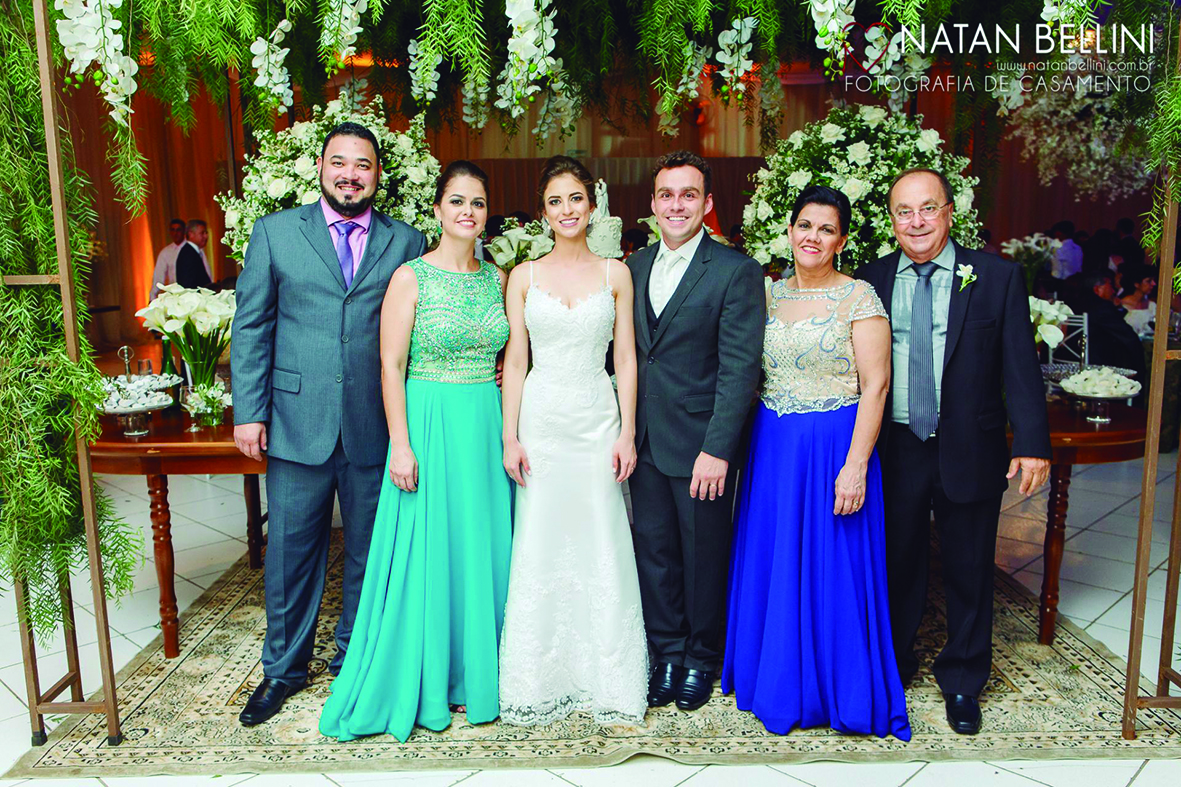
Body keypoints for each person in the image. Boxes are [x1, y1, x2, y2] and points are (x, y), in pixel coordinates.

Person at [231, 121, 427, 727]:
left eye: (362, 164)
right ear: (320, 168)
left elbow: (421, 330)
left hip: (375, 423)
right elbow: (252, 326)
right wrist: (249, 412)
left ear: (378, 174)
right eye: (339, 162)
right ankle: (283, 671)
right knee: (290, 555)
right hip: (296, 422)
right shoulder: (275, 233)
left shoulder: (407, 241)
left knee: (371, 554)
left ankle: (355, 659)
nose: (350, 175)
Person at [320, 161, 513, 741]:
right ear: (437, 209)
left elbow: (509, 355)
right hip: (428, 422)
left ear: (486, 214)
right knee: (428, 552)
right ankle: (427, 675)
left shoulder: (498, 278)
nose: (467, 212)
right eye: (457, 201)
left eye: (477, 203)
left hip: (483, 424)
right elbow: (390, 365)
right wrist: (400, 445)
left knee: (479, 546)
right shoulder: (411, 277)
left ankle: (478, 672)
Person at [855, 168, 1051, 736]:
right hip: (894, 445)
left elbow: (1020, 364)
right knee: (896, 561)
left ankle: (963, 679)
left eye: (927, 208)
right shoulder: (869, 280)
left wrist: (1032, 442)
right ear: (891, 219)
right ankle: (894, 663)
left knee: (969, 567)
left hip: (969, 443)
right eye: (904, 211)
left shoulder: (995, 277)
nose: (916, 221)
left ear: (948, 212)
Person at [723, 186, 909, 739]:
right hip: (773, 449)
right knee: (775, 557)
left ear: (841, 241)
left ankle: (836, 689)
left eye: (826, 229)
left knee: (834, 566)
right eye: (805, 225)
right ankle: (775, 679)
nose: (813, 237)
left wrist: (856, 465)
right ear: (789, 231)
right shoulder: (767, 294)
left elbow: (876, 387)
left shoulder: (860, 298)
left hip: (834, 448)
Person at [498, 156, 648, 726]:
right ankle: (538, 676)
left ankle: (606, 675)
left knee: (601, 536)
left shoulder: (616, 274)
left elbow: (626, 359)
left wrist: (627, 430)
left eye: (575, 198)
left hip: (596, 419)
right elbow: (516, 361)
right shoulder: (523, 276)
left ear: (592, 204)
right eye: (555, 201)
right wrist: (510, 435)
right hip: (541, 422)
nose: (567, 210)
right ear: (543, 212)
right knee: (540, 539)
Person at [627, 151, 765, 712]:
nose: (676, 205)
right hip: (643, 439)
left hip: (701, 444)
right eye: (667, 195)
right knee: (654, 552)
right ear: (653, 203)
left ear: (707, 204)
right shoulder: (633, 266)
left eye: (689, 195)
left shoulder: (735, 270)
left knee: (703, 556)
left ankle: (702, 658)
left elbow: (740, 370)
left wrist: (718, 449)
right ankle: (666, 652)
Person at [1068, 269, 1149, 378]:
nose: (1114, 290)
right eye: (1110, 285)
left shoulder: (1075, 303)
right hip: (1097, 366)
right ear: (1097, 289)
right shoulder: (1101, 307)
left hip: (1071, 362)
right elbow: (1128, 336)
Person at [149, 218, 187, 301]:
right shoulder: (166, 252)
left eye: (178, 230)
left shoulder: (191, 249)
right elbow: (158, 276)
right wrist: (152, 297)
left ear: (184, 231)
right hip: (174, 295)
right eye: (173, 230)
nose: (175, 233)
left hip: (190, 294)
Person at [1118, 264, 1158, 336]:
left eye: (1153, 280)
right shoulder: (1122, 305)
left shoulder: (1152, 306)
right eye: (1148, 281)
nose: (1153, 284)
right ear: (1136, 284)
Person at [175, 219, 214, 289]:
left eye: (206, 233)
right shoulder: (188, 254)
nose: (206, 236)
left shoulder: (193, 251)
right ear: (191, 234)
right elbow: (188, 283)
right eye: (202, 233)